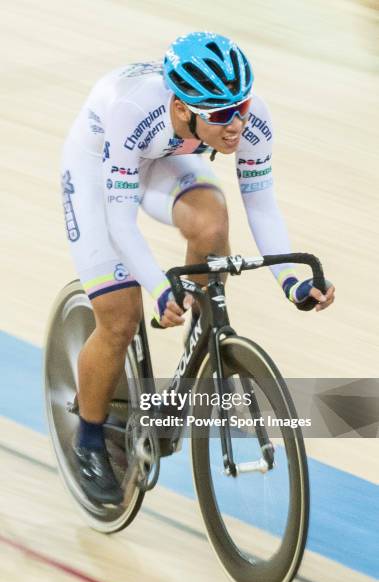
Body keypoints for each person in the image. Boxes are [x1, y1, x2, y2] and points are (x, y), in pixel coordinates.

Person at [61, 32, 335, 505]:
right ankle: (87, 436)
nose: (237, 125)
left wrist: (291, 280)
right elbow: (120, 223)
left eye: (242, 107)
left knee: (212, 225)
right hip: (96, 171)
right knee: (120, 316)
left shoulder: (247, 118)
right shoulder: (133, 111)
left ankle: (200, 338)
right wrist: (157, 288)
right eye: (223, 116)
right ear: (184, 108)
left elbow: (262, 205)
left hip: (166, 158)